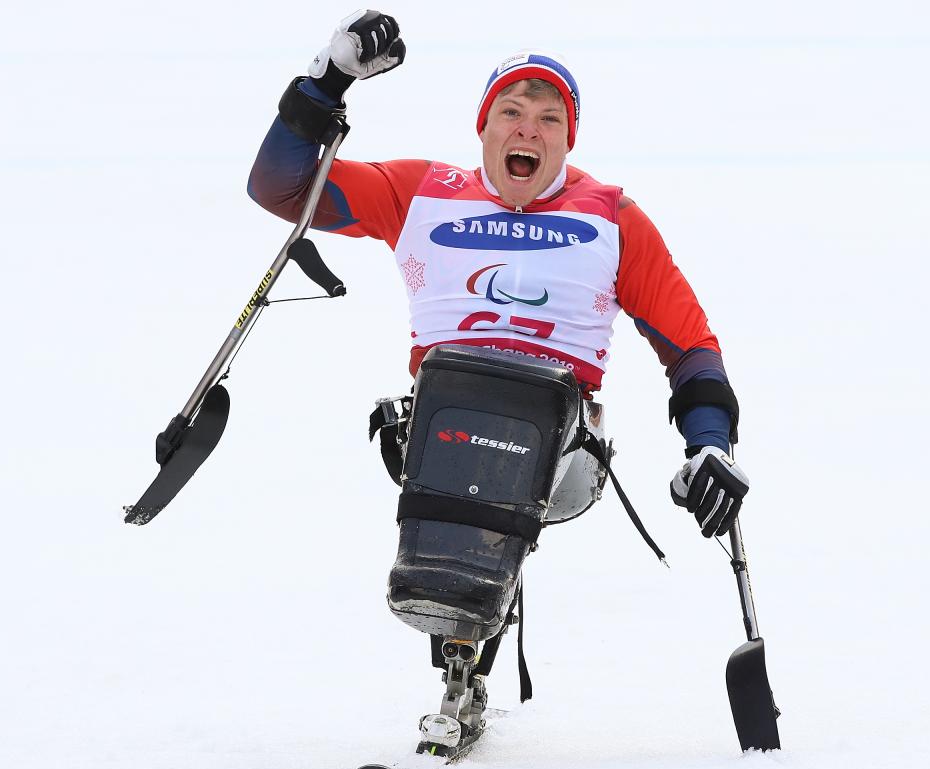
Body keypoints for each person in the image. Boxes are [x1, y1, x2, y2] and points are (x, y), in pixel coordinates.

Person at [247, 10, 749, 540]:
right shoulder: (423, 190)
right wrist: (325, 84)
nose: (528, 128)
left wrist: (710, 444)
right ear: (483, 127)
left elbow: (690, 342)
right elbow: (278, 187)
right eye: (511, 112)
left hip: (563, 447)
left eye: (550, 119)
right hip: (446, 418)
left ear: (567, 140)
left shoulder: (613, 218)